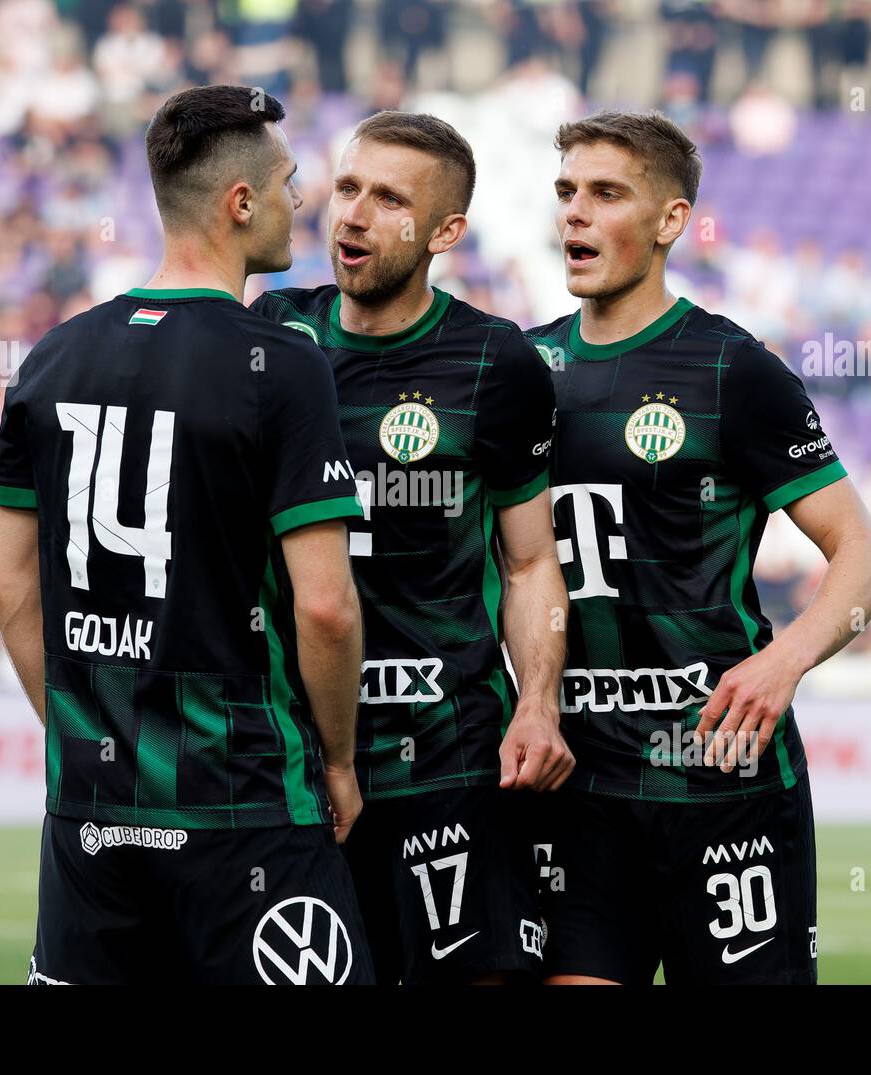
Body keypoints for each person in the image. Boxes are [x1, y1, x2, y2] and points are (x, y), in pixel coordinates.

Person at [0, 85, 373, 985]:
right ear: (241, 204)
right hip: (245, 806)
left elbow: (7, 587)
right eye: (287, 181)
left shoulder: (54, 355)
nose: (299, 200)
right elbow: (323, 605)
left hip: (91, 818)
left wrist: (94, 737)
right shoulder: (281, 363)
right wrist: (342, 762)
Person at [526, 110, 871, 984]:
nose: (575, 213)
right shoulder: (521, 369)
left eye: (606, 193)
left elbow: (866, 557)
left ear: (670, 221)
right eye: (566, 193)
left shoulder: (733, 369)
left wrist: (784, 663)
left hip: (723, 778)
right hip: (582, 786)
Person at [252, 111, 573, 984]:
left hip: (450, 756)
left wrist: (537, 702)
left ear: (444, 231)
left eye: (388, 198)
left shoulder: (494, 362)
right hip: (298, 766)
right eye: (347, 186)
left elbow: (531, 560)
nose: (352, 213)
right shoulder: (275, 337)